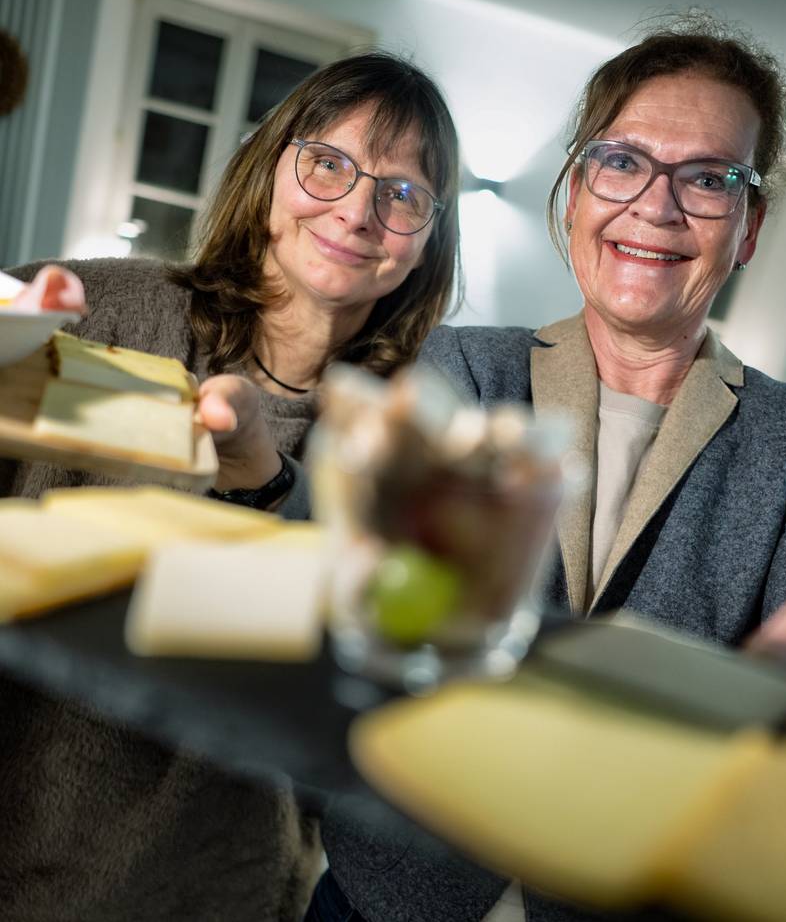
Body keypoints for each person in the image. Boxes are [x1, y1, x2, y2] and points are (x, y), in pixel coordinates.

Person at [311, 14, 786, 922]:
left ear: (748, 227)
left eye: (710, 179)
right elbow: (361, 579)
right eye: (624, 161)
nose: (658, 207)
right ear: (575, 192)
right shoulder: (462, 368)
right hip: (395, 891)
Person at [0, 51, 460, 921]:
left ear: (430, 238)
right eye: (329, 163)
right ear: (270, 166)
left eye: (403, 194)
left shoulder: (410, 435)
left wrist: (261, 486)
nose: (359, 210)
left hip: (210, 883)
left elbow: (359, 693)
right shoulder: (97, 306)